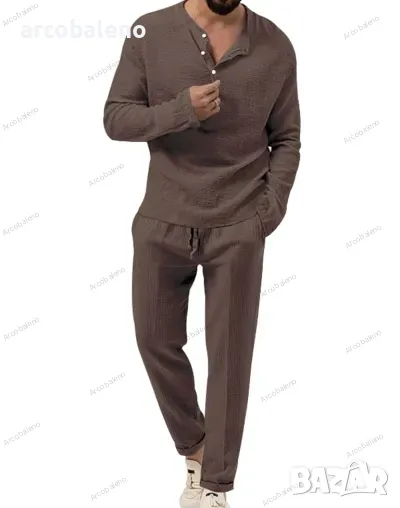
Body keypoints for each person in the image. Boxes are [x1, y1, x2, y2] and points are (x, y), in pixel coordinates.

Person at [103, 0, 301, 506]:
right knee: (154, 340)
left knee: (230, 356)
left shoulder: (275, 45)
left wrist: (267, 213)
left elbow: (287, 139)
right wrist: (180, 111)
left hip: (239, 223)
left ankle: (214, 485)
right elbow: (116, 118)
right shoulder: (149, 31)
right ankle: (196, 445)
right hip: (162, 216)